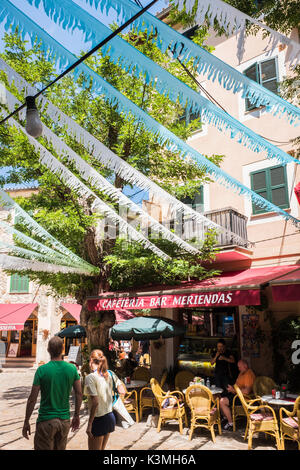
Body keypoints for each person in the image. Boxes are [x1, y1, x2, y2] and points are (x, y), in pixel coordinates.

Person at [22, 336, 82, 450]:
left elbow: (32, 398)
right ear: (63, 350)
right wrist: (76, 415)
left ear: (48, 350)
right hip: (64, 421)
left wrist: (26, 421)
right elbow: (79, 394)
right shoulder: (72, 369)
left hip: (46, 420)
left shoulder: (42, 370)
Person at [84, 349, 125, 450]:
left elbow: (95, 402)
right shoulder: (110, 374)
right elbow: (122, 390)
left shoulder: (91, 377)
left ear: (91, 361)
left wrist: (89, 424)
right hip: (109, 417)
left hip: (98, 419)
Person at [219, 359, 256, 431]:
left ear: (245, 366)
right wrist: (232, 388)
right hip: (237, 395)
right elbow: (237, 386)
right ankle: (226, 417)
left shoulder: (248, 374)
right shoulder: (241, 373)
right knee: (219, 396)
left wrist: (233, 390)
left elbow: (247, 391)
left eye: (240, 367)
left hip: (244, 398)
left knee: (222, 401)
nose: (238, 369)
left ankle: (230, 423)